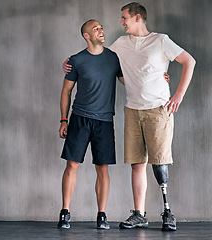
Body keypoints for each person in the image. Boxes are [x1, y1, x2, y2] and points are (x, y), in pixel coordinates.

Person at [63, 2, 196, 231]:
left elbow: (189, 61)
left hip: (157, 109)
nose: (121, 22)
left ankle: (167, 211)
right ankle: (139, 214)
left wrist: (177, 95)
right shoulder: (120, 45)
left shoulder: (160, 40)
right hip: (132, 110)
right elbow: (98, 55)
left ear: (137, 18)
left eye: (124, 18)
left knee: (159, 162)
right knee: (137, 164)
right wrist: (70, 63)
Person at [57, 19, 124, 230]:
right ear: (87, 35)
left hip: (104, 121)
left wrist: (159, 77)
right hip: (79, 118)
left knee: (102, 169)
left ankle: (102, 214)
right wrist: (63, 119)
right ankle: (65, 212)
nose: (101, 30)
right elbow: (66, 91)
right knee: (71, 165)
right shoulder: (76, 60)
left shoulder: (114, 58)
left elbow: (131, 81)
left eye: (101, 27)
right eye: (96, 28)